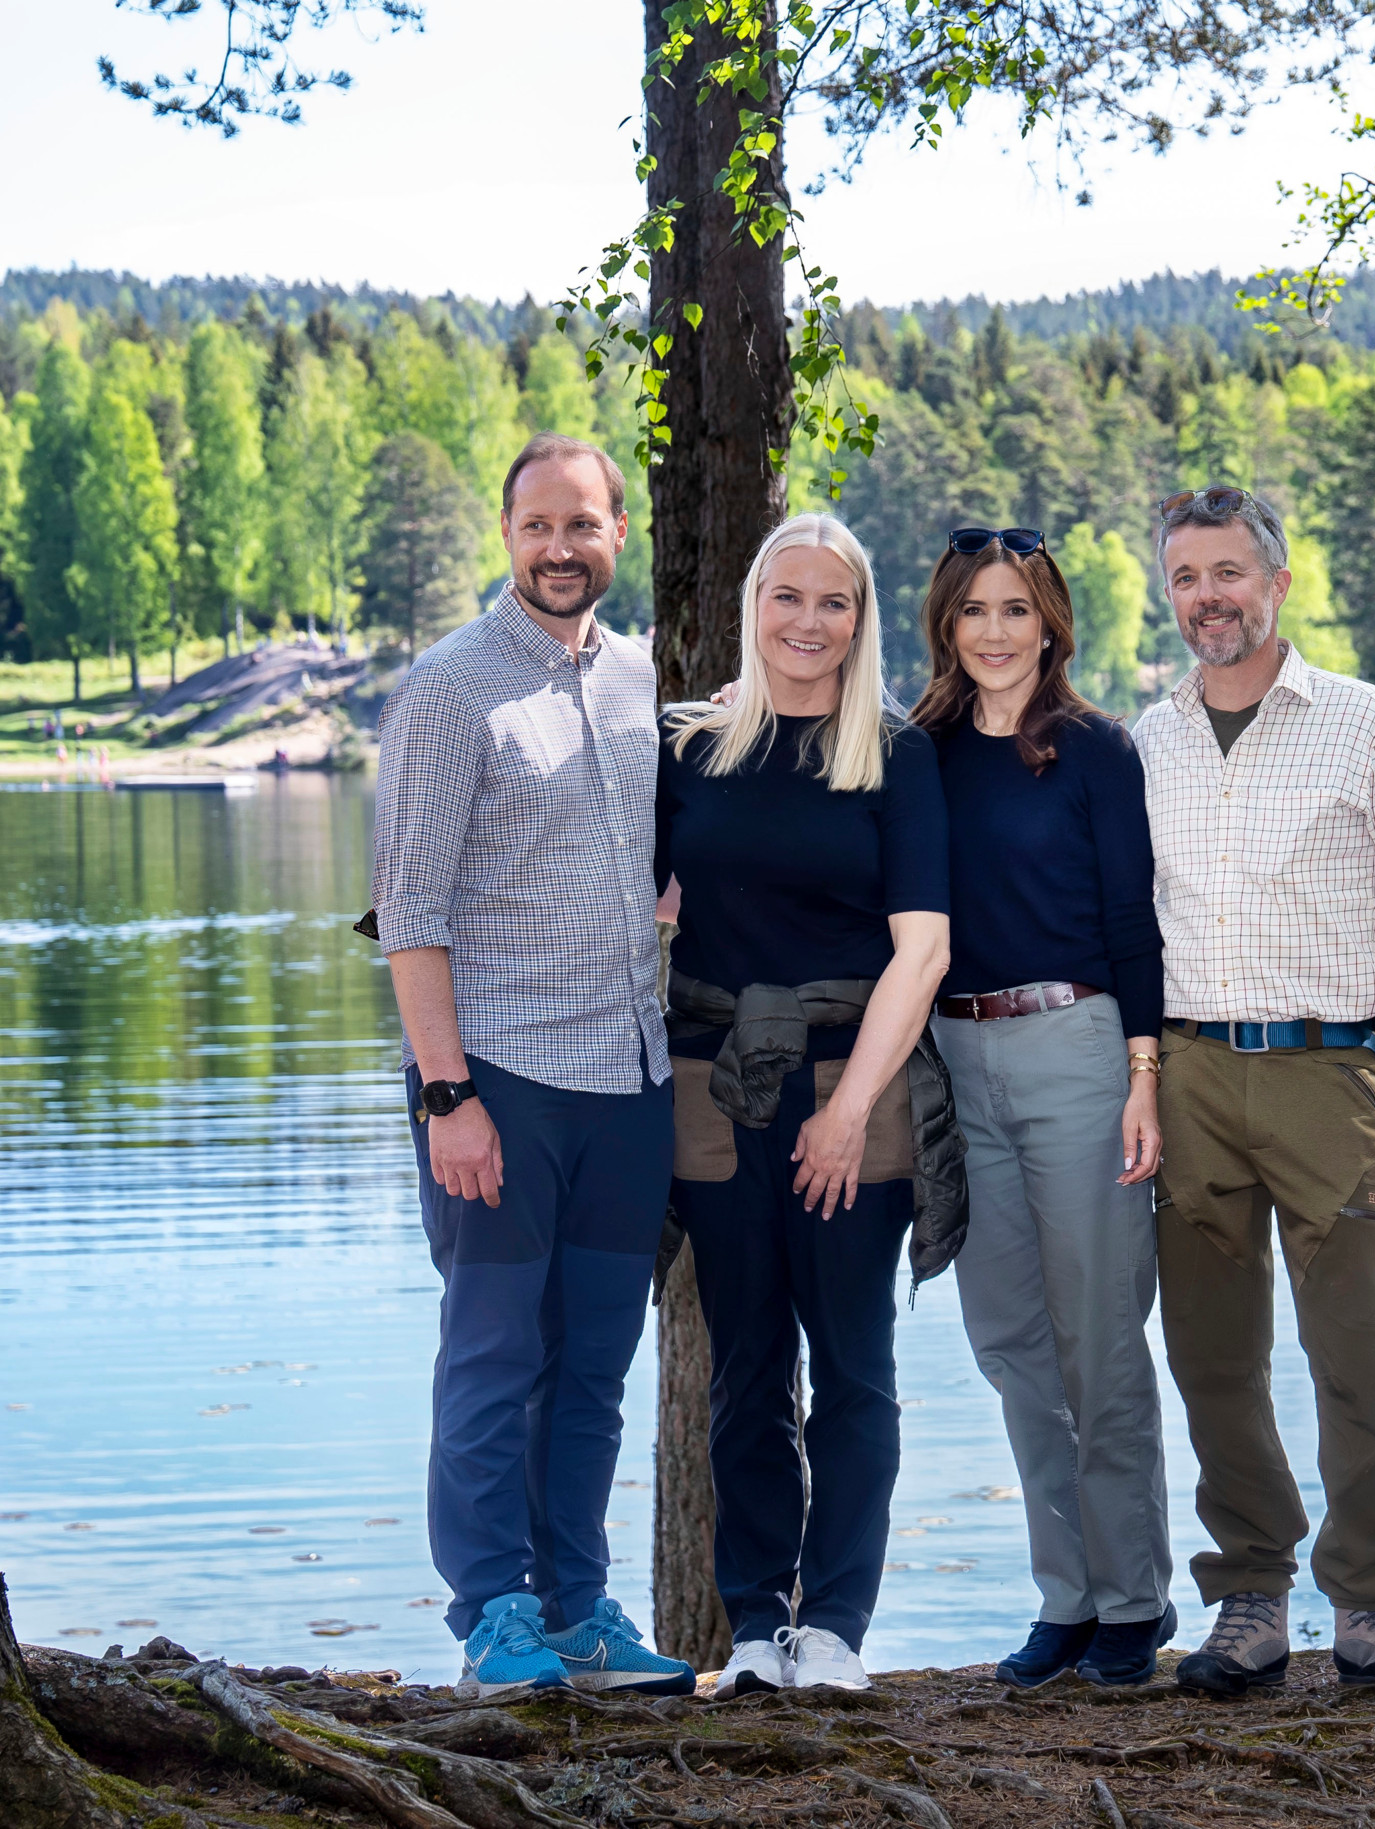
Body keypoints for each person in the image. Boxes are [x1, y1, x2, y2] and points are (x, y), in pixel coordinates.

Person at [370, 432, 694, 1700]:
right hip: (495, 1078)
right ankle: (492, 1613)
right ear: (507, 535)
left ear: (620, 533)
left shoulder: (639, 683)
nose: (562, 547)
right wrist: (447, 1091)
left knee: (595, 1365)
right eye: (537, 525)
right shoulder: (450, 691)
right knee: (495, 1354)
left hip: (628, 1082)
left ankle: (577, 1606)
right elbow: (410, 910)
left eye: (585, 523)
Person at [1135, 486, 1375, 1694]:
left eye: (1229, 571)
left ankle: (1370, 1604)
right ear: (1167, 592)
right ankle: (1249, 1600)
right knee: (1213, 1354)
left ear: (1276, 582)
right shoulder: (1149, 738)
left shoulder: (1363, 722)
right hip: (1188, 1074)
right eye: (1186, 576)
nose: (1208, 596)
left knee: (1361, 1348)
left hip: (1330, 1072)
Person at [654, 513, 954, 1697]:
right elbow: (616, 897)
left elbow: (921, 949)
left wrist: (848, 1109)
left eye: (834, 602)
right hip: (712, 1087)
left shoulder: (893, 753)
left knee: (854, 1363)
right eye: (788, 597)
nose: (808, 623)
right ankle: (753, 1627)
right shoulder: (689, 751)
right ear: (753, 604)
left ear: (861, 618)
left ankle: (832, 1627)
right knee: (742, 1367)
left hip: (854, 1087)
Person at [911, 527, 1177, 1687]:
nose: (995, 632)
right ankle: (1064, 1597)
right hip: (956, 1060)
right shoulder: (916, 751)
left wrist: (1143, 1077)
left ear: (1050, 622)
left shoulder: (1093, 749)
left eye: (1015, 609)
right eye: (974, 610)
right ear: (945, 625)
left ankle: (1134, 1601)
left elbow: (1133, 921)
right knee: (1012, 1341)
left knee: (1099, 1337)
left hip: (1077, 1048)